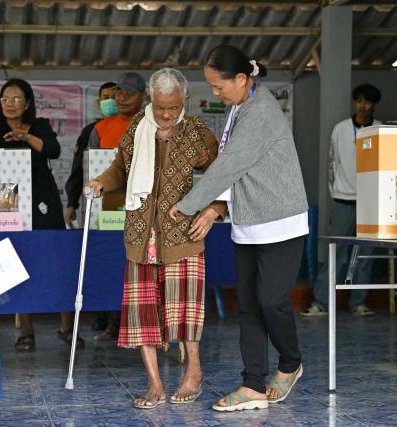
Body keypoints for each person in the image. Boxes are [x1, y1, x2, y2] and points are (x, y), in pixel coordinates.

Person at [169, 45, 309, 411]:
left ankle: (291, 363)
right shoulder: (239, 108)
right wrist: (216, 209)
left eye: (219, 86)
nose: (215, 93)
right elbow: (237, 168)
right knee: (247, 304)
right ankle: (252, 385)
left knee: (271, 301)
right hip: (248, 221)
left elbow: (229, 165)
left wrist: (187, 206)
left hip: (280, 221)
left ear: (242, 79)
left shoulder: (260, 111)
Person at [87, 68, 226, 408]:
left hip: (184, 232)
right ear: (151, 100)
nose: (165, 114)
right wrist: (102, 182)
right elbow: (121, 166)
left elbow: (223, 173)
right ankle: (154, 384)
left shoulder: (197, 132)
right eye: (161, 106)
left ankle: (193, 371)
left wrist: (215, 210)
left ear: (185, 101)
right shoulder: (138, 127)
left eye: (173, 107)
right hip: (140, 231)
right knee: (142, 310)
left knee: (185, 308)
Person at [0, 78, 72, 352]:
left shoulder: (41, 125)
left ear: (28, 103)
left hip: (43, 205)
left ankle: (67, 327)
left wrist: (26, 137)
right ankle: (26, 331)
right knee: (19, 262)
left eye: (16, 99)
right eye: (5, 99)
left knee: (54, 260)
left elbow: (53, 151)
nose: (10, 104)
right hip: (8, 206)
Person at [300, 83, 382, 318]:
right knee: (337, 254)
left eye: (367, 101)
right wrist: (336, 191)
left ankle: (359, 303)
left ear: (374, 104)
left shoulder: (380, 130)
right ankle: (321, 303)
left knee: (364, 256)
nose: (362, 105)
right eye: (359, 100)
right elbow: (331, 164)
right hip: (343, 200)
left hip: (371, 203)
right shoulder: (341, 129)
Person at [90, 72, 149, 342]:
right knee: (112, 265)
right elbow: (90, 166)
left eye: (129, 93)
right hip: (110, 211)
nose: (121, 97)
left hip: (145, 208)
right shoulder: (101, 128)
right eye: (119, 92)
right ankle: (114, 323)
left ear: (144, 96)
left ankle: (147, 327)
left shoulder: (152, 125)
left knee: (143, 268)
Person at [64, 81, 117, 228]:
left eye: (115, 97)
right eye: (106, 97)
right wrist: (71, 205)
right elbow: (78, 169)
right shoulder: (91, 131)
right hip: (99, 201)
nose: (110, 101)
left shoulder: (134, 128)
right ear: (98, 102)